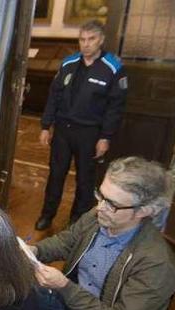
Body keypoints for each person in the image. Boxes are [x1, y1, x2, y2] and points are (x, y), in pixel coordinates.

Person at [31, 157, 175, 310]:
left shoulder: (155, 264)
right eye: (101, 195)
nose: (101, 207)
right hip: (78, 302)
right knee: (11, 292)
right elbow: (66, 241)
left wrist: (65, 287)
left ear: (144, 211)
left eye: (113, 204)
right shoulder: (101, 215)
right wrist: (35, 251)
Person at [36, 20, 128, 230]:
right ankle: (47, 214)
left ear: (101, 40)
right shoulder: (69, 63)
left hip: (90, 133)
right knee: (55, 175)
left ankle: (78, 220)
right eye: (82, 39)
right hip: (63, 130)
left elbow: (116, 106)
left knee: (85, 179)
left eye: (91, 39)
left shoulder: (113, 68)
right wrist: (45, 125)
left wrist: (105, 137)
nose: (86, 44)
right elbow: (54, 96)